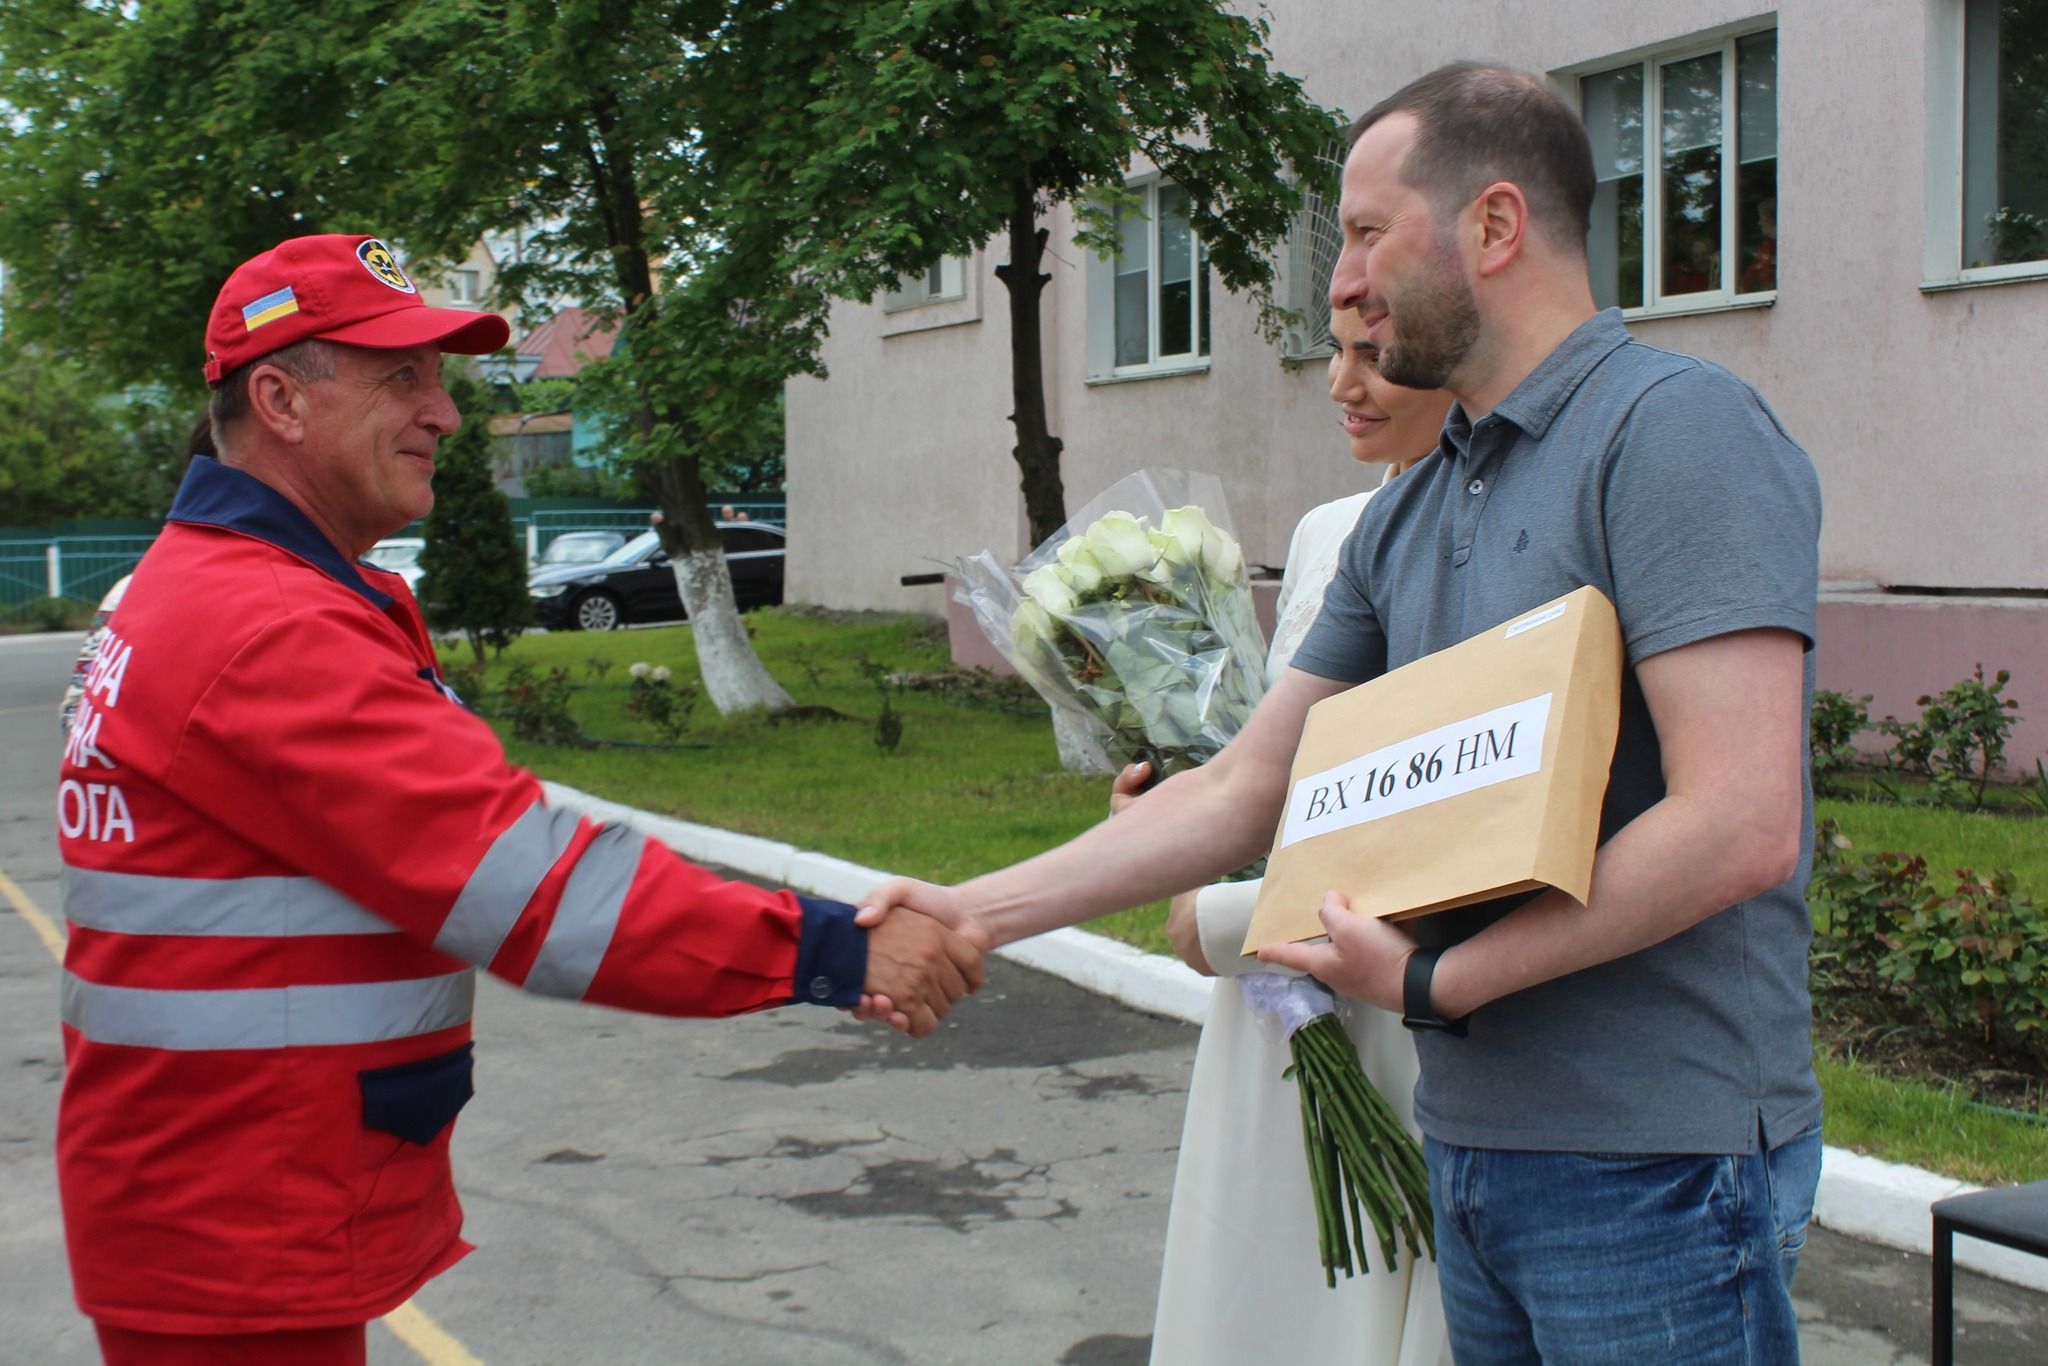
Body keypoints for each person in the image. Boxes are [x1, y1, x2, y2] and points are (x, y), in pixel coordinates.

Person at [861, 62, 1822, 1364]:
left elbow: (1743, 820)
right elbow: (1240, 790)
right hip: (1476, 1147)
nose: (1341, 285)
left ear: (1492, 226)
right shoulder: (1415, 512)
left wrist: (1439, 978)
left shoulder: (1673, 431)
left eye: (1367, 233)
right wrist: (974, 908)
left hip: (1654, 1158)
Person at [54, 233, 982, 1366]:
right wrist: (831, 951)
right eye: (403, 376)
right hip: (242, 1217)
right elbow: (533, 885)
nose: (444, 413)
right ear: (279, 399)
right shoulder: (266, 627)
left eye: (441, 376)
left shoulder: (212, 584)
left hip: (224, 1198)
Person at [1121, 303, 1453, 1366]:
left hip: (1377, 977)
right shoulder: (1323, 532)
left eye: (1374, 358)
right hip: (1272, 1005)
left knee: (1371, 1286)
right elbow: (1275, 766)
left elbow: (1434, 805)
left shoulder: (1487, 540)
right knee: (1256, 1279)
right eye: (1334, 354)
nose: (1340, 385)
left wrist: (1223, 913)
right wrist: (1171, 814)